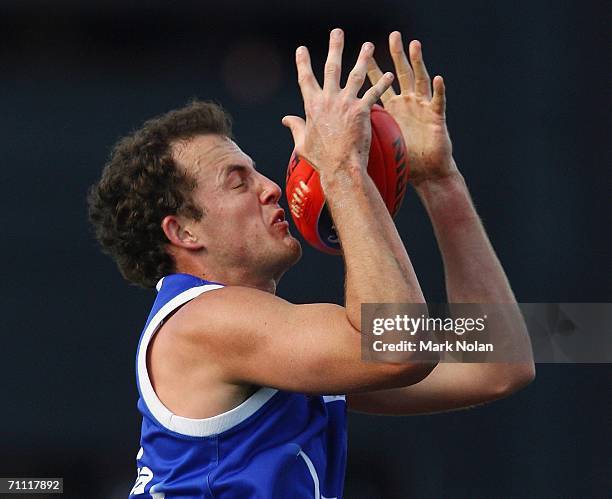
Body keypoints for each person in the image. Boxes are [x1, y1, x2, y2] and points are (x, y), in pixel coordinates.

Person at [88, 28, 535, 499]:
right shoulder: (201, 322)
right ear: (183, 232)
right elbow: (399, 346)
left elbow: (498, 364)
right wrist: (341, 167)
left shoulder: (280, 349)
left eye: (257, 171)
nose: (271, 187)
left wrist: (439, 180)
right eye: (237, 182)